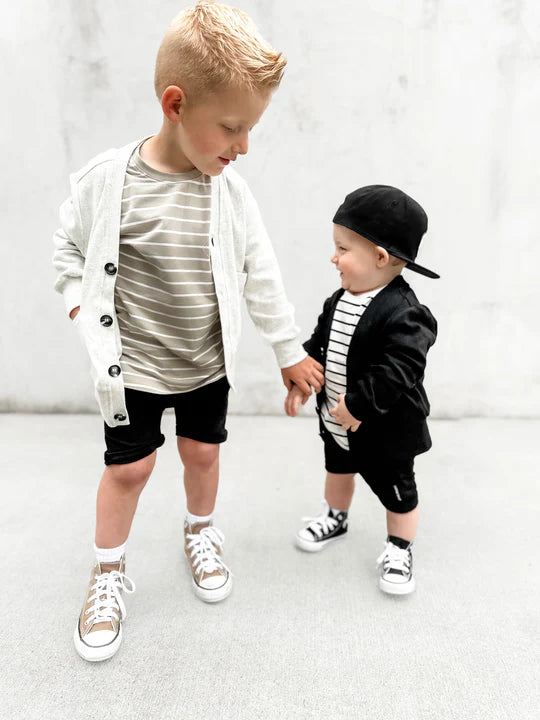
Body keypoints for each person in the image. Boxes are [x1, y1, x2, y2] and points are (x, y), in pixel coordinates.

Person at [53, 0, 323, 662]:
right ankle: (108, 571)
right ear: (176, 105)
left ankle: (200, 531)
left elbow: (260, 272)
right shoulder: (105, 181)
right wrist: (77, 307)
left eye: (251, 128)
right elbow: (67, 249)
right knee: (131, 468)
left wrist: (288, 350)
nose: (245, 146)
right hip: (133, 371)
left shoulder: (228, 193)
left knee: (202, 455)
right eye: (233, 127)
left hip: (205, 365)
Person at [286, 185, 438, 595]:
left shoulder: (406, 313)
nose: (333, 258)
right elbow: (319, 344)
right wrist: (303, 378)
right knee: (337, 471)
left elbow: (400, 368)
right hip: (337, 423)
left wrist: (358, 404)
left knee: (397, 490)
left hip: (384, 431)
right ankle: (336, 516)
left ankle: (399, 547)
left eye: (343, 249)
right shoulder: (339, 299)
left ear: (380, 258)